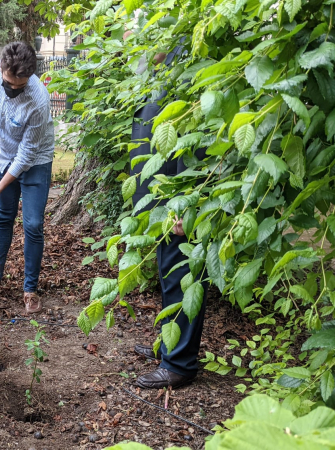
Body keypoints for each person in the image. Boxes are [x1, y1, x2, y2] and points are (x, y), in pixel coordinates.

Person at [126, 30, 207, 389]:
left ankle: (179, 363)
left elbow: (194, 148)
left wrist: (183, 207)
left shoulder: (185, 69)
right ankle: (167, 345)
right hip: (160, 200)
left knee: (181, 273)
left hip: (176, 203)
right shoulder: (160, 72)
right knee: (166, 272)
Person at [0, 41, 55, 314]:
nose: (12, 89)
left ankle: (30, 288)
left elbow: (26, 155)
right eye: (8, 82)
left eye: (19, 85)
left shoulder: (38, 99)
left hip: (35, 161)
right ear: (1, 69)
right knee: (3, 218)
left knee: (33, 224)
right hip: (4, 155)